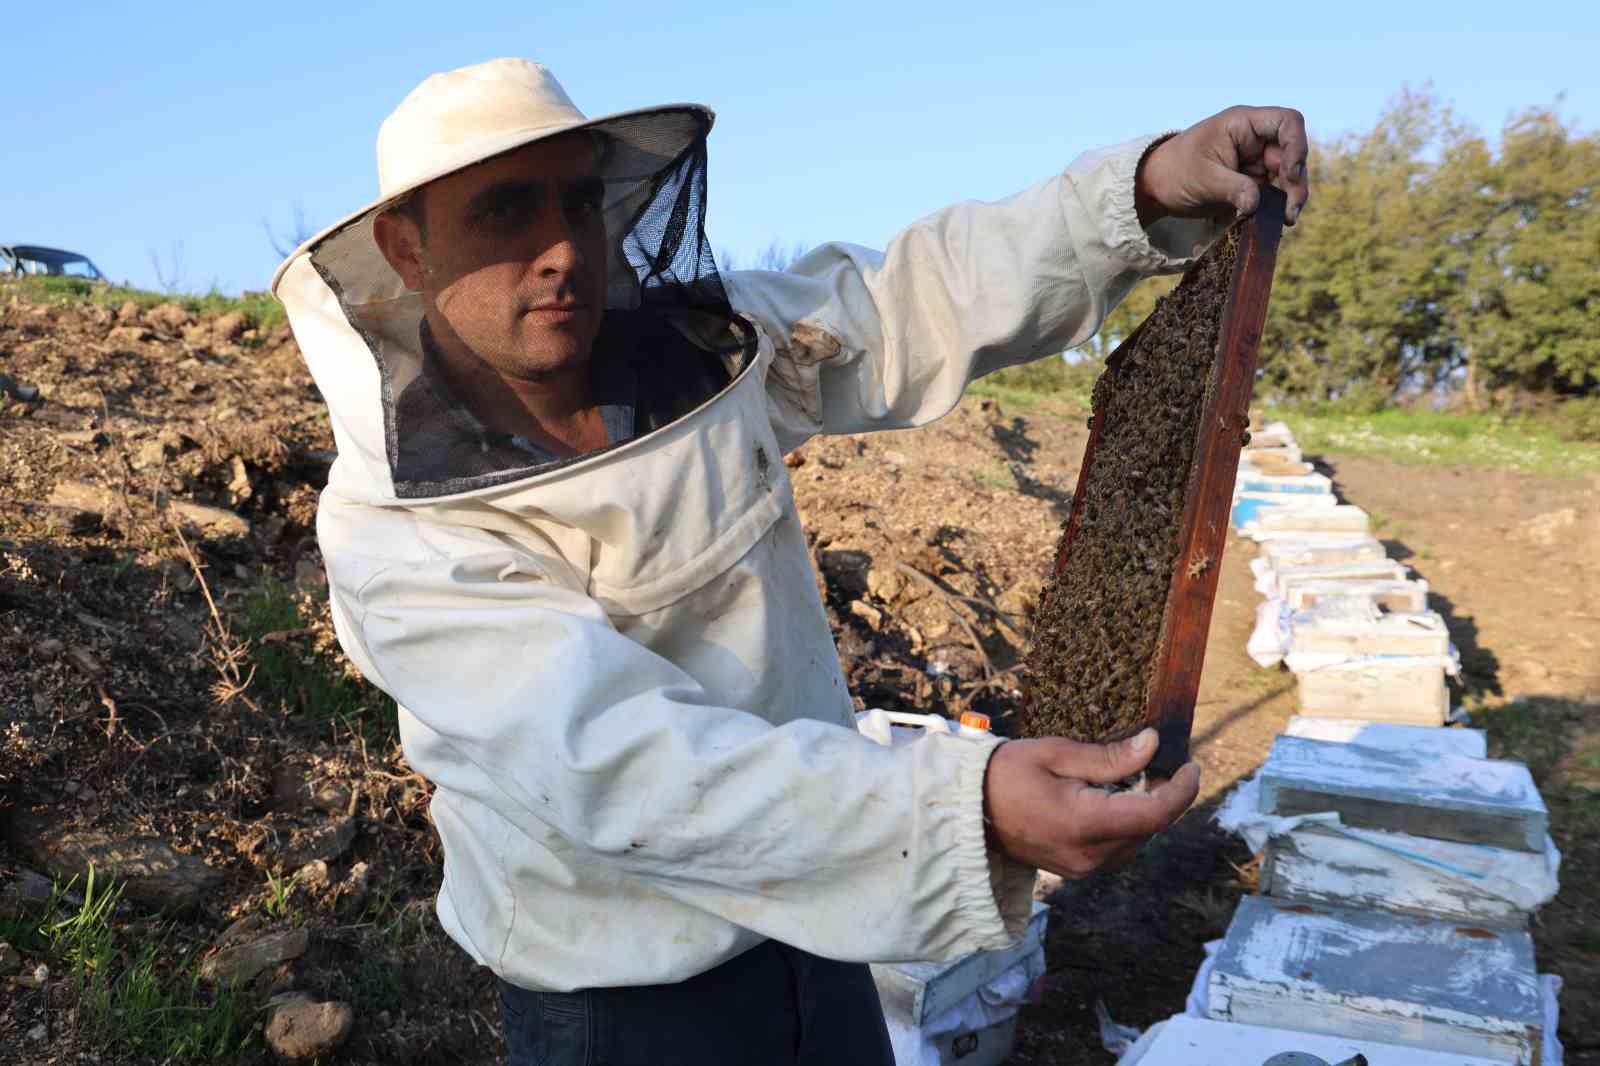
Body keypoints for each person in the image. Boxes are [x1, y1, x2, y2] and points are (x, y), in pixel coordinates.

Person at [271, 57, 1309, 1066]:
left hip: (818, 911)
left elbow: (908, 302)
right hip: (620, 995)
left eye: (578, 203)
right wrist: (967, 802)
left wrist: (1137, 189)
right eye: (504, 211)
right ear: (407, 250)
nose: (561, 250)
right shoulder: (396, 530)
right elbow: (622, 763)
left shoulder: (699, 353)